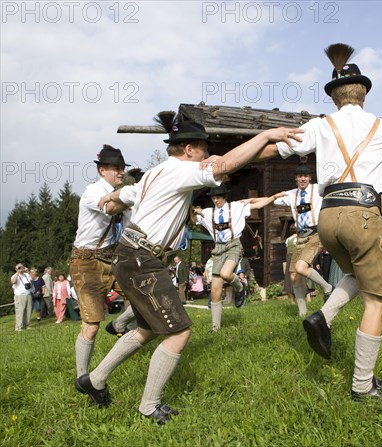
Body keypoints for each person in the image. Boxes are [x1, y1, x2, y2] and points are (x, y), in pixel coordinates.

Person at [76, 113, 300, 424]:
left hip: (133, 256)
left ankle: (94, 380)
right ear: (190, 150)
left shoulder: (156, 173)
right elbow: (223, 165)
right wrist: (266, 136)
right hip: (142, 259)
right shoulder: (182, 171)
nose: (208, 156)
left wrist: (113, 196)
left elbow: (124, 195)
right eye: (204, 150)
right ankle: (148, 406)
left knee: (146, 330)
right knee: (179, 332)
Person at [253, 43, 382, 398]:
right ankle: (362, 386)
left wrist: (232, 158)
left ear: (334, 98)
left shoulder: (318, 126)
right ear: (364, 93)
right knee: (377, 299)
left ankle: (322, 316)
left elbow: (276, 148)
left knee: (355, 275)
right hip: (363, 213)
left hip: (327, 217)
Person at [69, 145, 132, 380]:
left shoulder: (119, 191)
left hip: (111, 258)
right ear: (102, 170)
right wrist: (134, 193)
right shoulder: (93, 192)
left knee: (142, 295)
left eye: (123, 168)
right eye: (116, 168)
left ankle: (118, 325)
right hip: (86, 262)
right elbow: (111, 207)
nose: (121, 172)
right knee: (92, 324)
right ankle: (82, 378)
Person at [195, 185, 277, 329]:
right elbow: (195, 214)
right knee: (215, 291)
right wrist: (194, 210)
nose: (216, 200)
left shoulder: (236, 207)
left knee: (226, 274)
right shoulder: (208, 212)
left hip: (233, 245)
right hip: (218, 247)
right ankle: (215, 328)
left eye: (218, 197)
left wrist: (274, 197)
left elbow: (258, 204)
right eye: (213, 197)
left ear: (224, 197)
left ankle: (240, 288)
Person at [272, 164, 333, 316]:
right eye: (300, 176)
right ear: (296, 179)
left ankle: (327, 288)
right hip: (301, 236)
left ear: (310, 178)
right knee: (294, 275)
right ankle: (302, 313)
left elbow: (332, 186)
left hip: (316, 233)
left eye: (305, 176)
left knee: (301, 268)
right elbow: (275, 201)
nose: (303, 179)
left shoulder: (318, 189)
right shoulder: (292, 194)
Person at [11, 263, 33, 331]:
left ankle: (26, 325)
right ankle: (18, 327)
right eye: (19, 268)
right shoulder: (14, 276)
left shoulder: (26, 275)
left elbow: (32, 280)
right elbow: (13, 282)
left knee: (28, 311)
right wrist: (18, 272)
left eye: (22, 268)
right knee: (20, 311)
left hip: (28, 294)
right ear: (16, 269)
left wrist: (27, 271)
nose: (21, 269)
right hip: (19, 296)